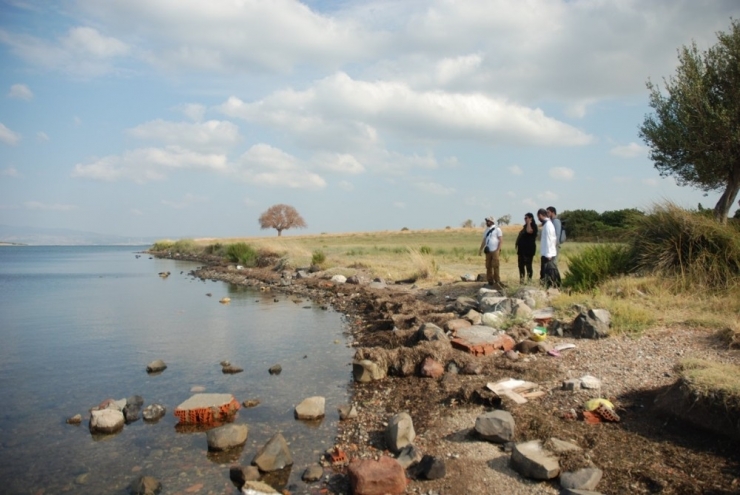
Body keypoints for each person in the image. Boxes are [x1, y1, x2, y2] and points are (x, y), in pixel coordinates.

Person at [478, 216, 503, 287]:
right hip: (488, 251)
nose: (487, 222)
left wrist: (498, 249)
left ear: (492, 222)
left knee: (495, 266)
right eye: (486, 221)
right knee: (488, 266)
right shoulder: (486, 230)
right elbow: (484, 240)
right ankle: (490, 281)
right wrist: (480, 249)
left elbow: (500, 240)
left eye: (488, 221)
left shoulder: (497, 229)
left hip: (495, 250)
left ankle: (497, 281)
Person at [538, 208, 559, 287]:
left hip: (548, 254)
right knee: (544, 273)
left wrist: (549, 254)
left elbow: (550, 240)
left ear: (540, 215)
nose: (538, 219)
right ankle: (546, 286)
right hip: (546, 253)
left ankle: (551, 287)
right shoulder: (547, 224)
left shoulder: (548, 225)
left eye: (538, 217)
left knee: (549, 273)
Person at [515, 212, 538, 284]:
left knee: (528, 266)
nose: (525, 219)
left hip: (528, 251)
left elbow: (529, 231)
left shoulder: (533, 226)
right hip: (522, 251)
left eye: (526, 218)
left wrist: (529, 223)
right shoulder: (524, 227)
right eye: (524, 218)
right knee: (521, 266)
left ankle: (529, 281)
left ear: (530, 218)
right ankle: (521, 281)